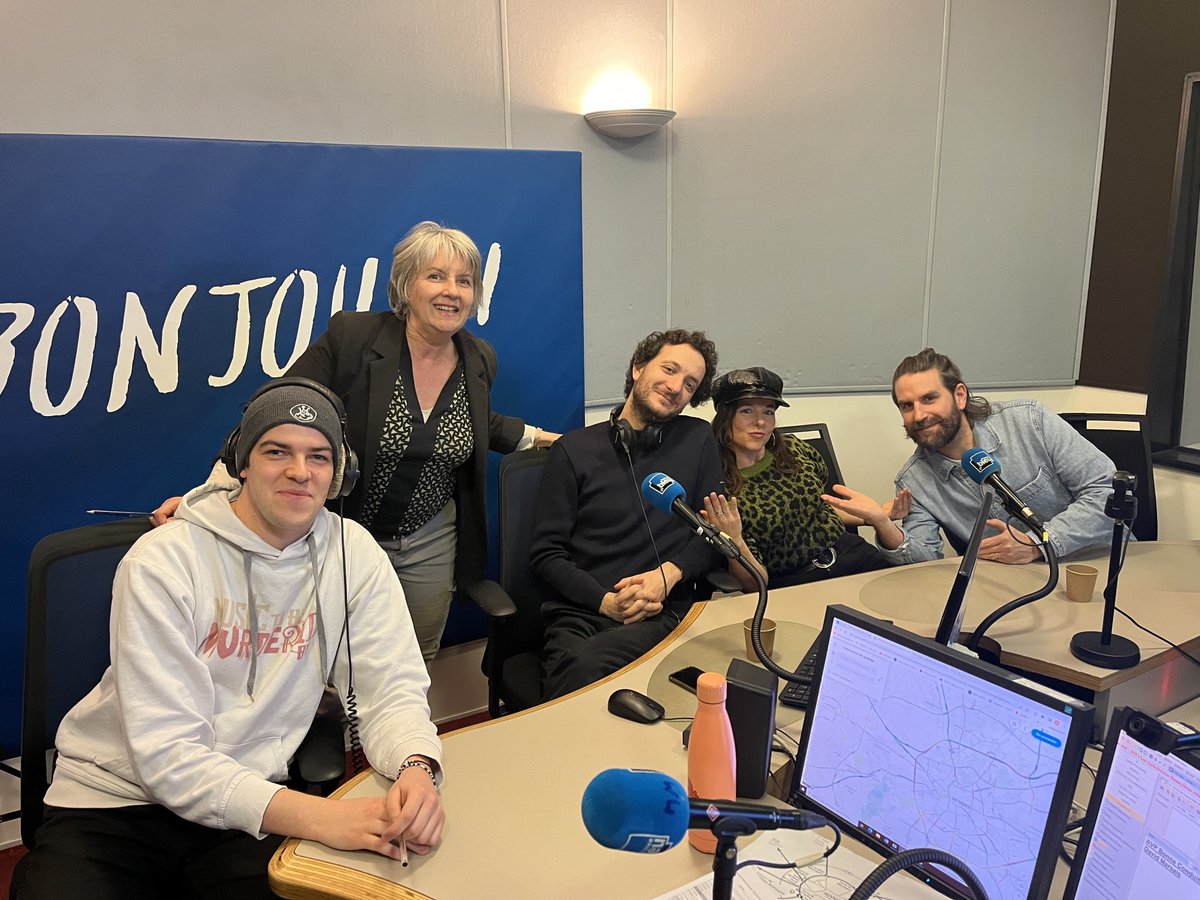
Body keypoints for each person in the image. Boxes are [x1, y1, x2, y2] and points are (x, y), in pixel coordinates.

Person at [15, 379, 443, 899]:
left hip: (246, 804)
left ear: (338, 475)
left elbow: (390, 688)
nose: (299, 472)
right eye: (276, 451)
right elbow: (168, 755)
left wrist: (416, 768)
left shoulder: (353, 554)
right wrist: (325, 817)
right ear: (242, 462)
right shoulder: (163, 560)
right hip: (115, 802)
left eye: (319, 457)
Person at [153, 221, 559, 661]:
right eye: (436, 276)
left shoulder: (479, 358)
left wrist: (551, 441)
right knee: (327, 662)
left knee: (415, 658)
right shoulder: (355, 338)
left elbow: (473, 422)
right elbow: (274, 412)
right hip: (343, 532)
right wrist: (213, 493)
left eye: (465, 281)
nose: (452, 291)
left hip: (432, 539)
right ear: (406, 286)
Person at [531, 329, 727, 698]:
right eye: (668, 369)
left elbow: (713, 537)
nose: (675, 387)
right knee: (578, 673)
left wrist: (666, 576)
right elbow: (546, 555)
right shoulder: (573, 451)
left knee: (588, 674)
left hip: (662, 610)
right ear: (638, 367)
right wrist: (605, 602)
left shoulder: (698, 439)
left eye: (689, 384)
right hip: (583, 612)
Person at [823, 348, 1117, 565]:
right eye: (907, 406)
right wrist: (882, 524)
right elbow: (924, 563)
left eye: (929, 399)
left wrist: (1038, 543)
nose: (920, 415)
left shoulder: (1030, 421)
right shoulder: (914, 480)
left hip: (1097, 563)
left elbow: (1107, 493)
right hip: (1016, 591)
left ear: (959, 396)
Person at [701, 367, 908, 590]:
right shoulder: (719, 484)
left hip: (849, 555)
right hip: (795, 580)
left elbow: (821, 507)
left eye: (769, 411)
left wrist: (875, 515)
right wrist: (735, 541)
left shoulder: (794, 449)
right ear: (724, 416)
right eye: (747, 411)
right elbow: (755, 584)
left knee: (904, 596)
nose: (760, 422)